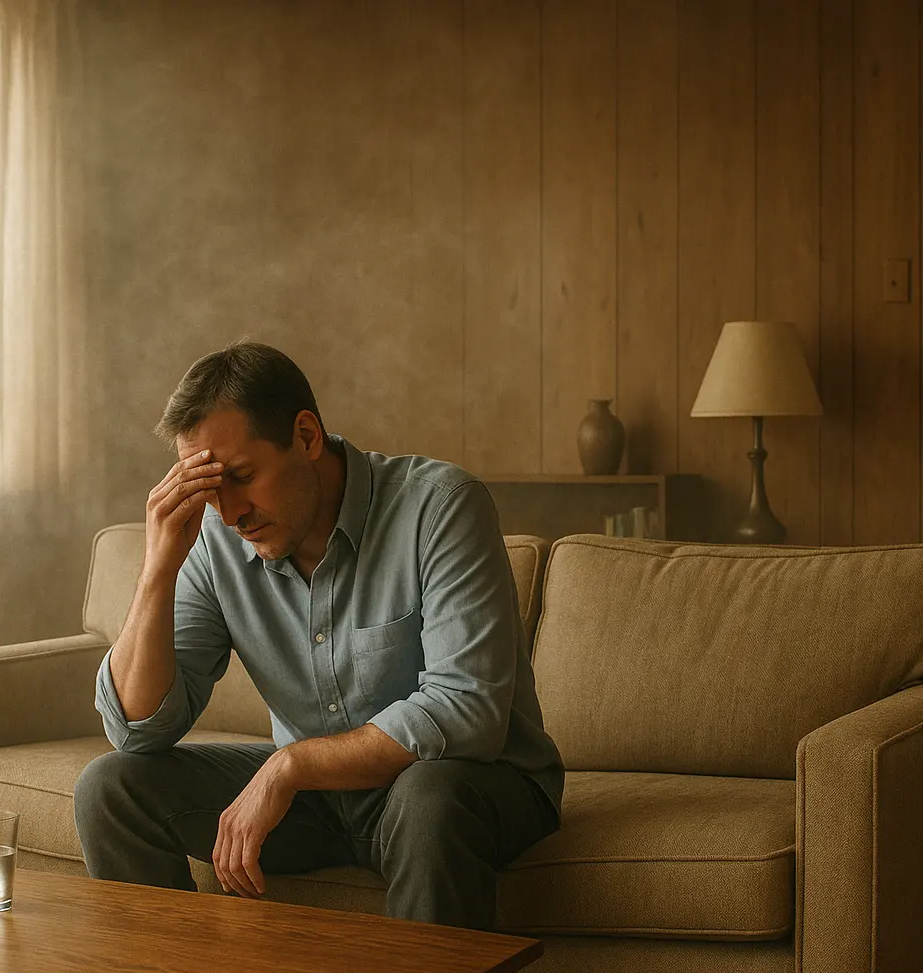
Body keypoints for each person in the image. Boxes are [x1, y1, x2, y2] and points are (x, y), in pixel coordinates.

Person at [73, 340, 563, 931]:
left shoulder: (440, 507)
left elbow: (467, 713)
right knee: (111, 788)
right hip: (324, 803)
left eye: (243, 476)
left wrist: (290, 769)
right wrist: (157, 571)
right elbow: (137, 729)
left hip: (472, 786)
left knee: (431, 797)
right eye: (210, 488)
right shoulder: (216, 537)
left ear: (306, 437)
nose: (230, 513)